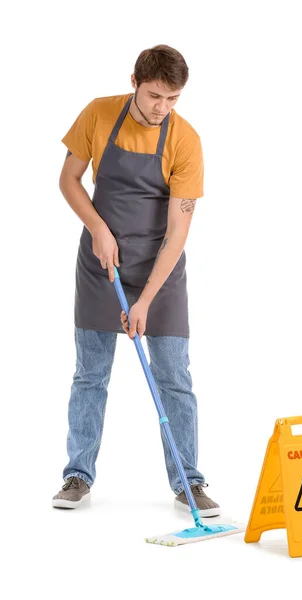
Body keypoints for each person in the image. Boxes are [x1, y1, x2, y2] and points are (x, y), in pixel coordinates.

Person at [52, 44, 220, 517]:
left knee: (174, 378)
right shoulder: (98, 114)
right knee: (90, 375)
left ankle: (190, 480)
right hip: (99, 266)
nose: (160, 108)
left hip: (159, 271)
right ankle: (78, 474)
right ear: (134, 82)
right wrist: (98, 229)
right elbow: (69, 180)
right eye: (153, 96)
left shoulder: (184, 140)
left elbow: (178, 232)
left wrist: (145, 300)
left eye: (171, 99)